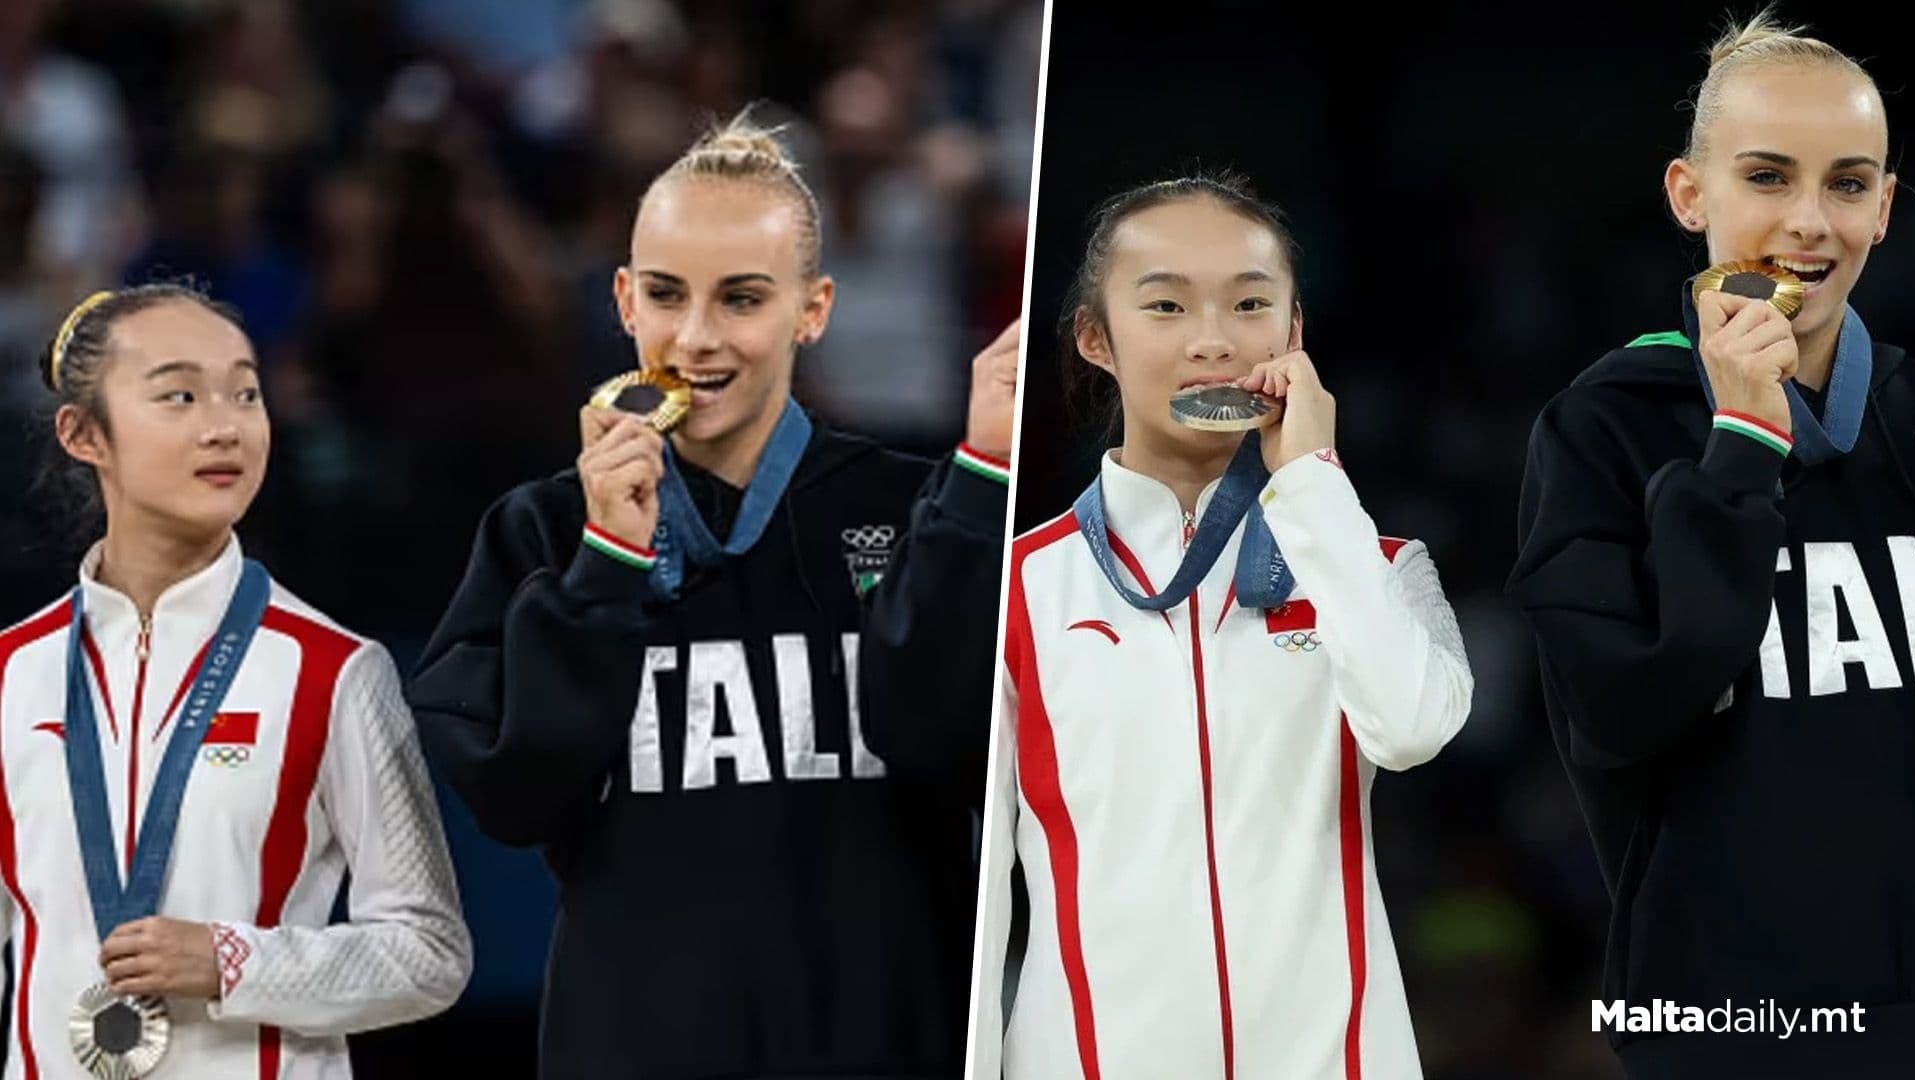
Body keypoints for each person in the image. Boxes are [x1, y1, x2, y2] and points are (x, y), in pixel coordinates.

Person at [406, 114, 1013, 1079]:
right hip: (636, 1046)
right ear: (623, 301)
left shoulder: (921, 511)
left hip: (885, 1040)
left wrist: (986, 480)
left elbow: (961, 754)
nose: (695, 337)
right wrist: (608, 558)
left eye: (741, 299)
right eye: (665, 295)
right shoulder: (543, 531)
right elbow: (516, 792)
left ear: (811, 310)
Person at [976, 173, 1473, 1079]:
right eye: (1165, 305)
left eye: (1250, 305)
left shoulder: (1379, 566)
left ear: (1292, 337)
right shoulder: (1018, 591)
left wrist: (1313, 482)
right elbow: (975, 915)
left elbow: (1410, 730)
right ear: (1096, 337)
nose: (1212, 341)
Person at [1507, 10, 1915, 1076]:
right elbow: (1622, 711)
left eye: (1846, 183)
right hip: (1723, 1023)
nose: (1810, 223)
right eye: (1769, 177)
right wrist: (1739, 444)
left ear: (1884, 206)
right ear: (1692, 194)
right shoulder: (1602, 427)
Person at [0, 283, 471, 1078]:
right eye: (179, 396)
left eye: (246, 393)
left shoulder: (335, 670)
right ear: (85, 435)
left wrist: (235, 962)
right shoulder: (13, 673)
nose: (225, 427)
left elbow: (430, 951)